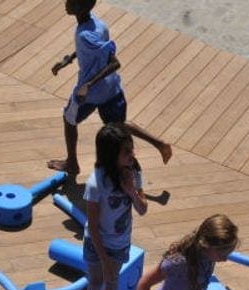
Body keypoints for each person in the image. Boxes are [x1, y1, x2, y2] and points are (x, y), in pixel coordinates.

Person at [47, 0, 171, 179]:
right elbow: (91, 49)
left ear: (80, 7)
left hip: (90, 92)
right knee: (118, 128)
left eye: (72, 1)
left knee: (69, 119)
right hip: (112, 88)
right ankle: (159, 144)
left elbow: (114, 62)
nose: (66, 3)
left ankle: (72, 163)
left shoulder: (84, 35)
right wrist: (68, 60)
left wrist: (89, 84)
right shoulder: (97, 24)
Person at [73, 123, 148, 290]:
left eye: (131, 149)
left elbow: (143, 209)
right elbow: (93, 226)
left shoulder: (134, 172)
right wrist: (104, 259)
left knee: (112, 282)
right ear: (110, 154)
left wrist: (131, 191)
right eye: (126, 151)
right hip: (96, 242)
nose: (132, 154)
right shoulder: (96, 182)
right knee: (95, 281)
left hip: (119, 242)